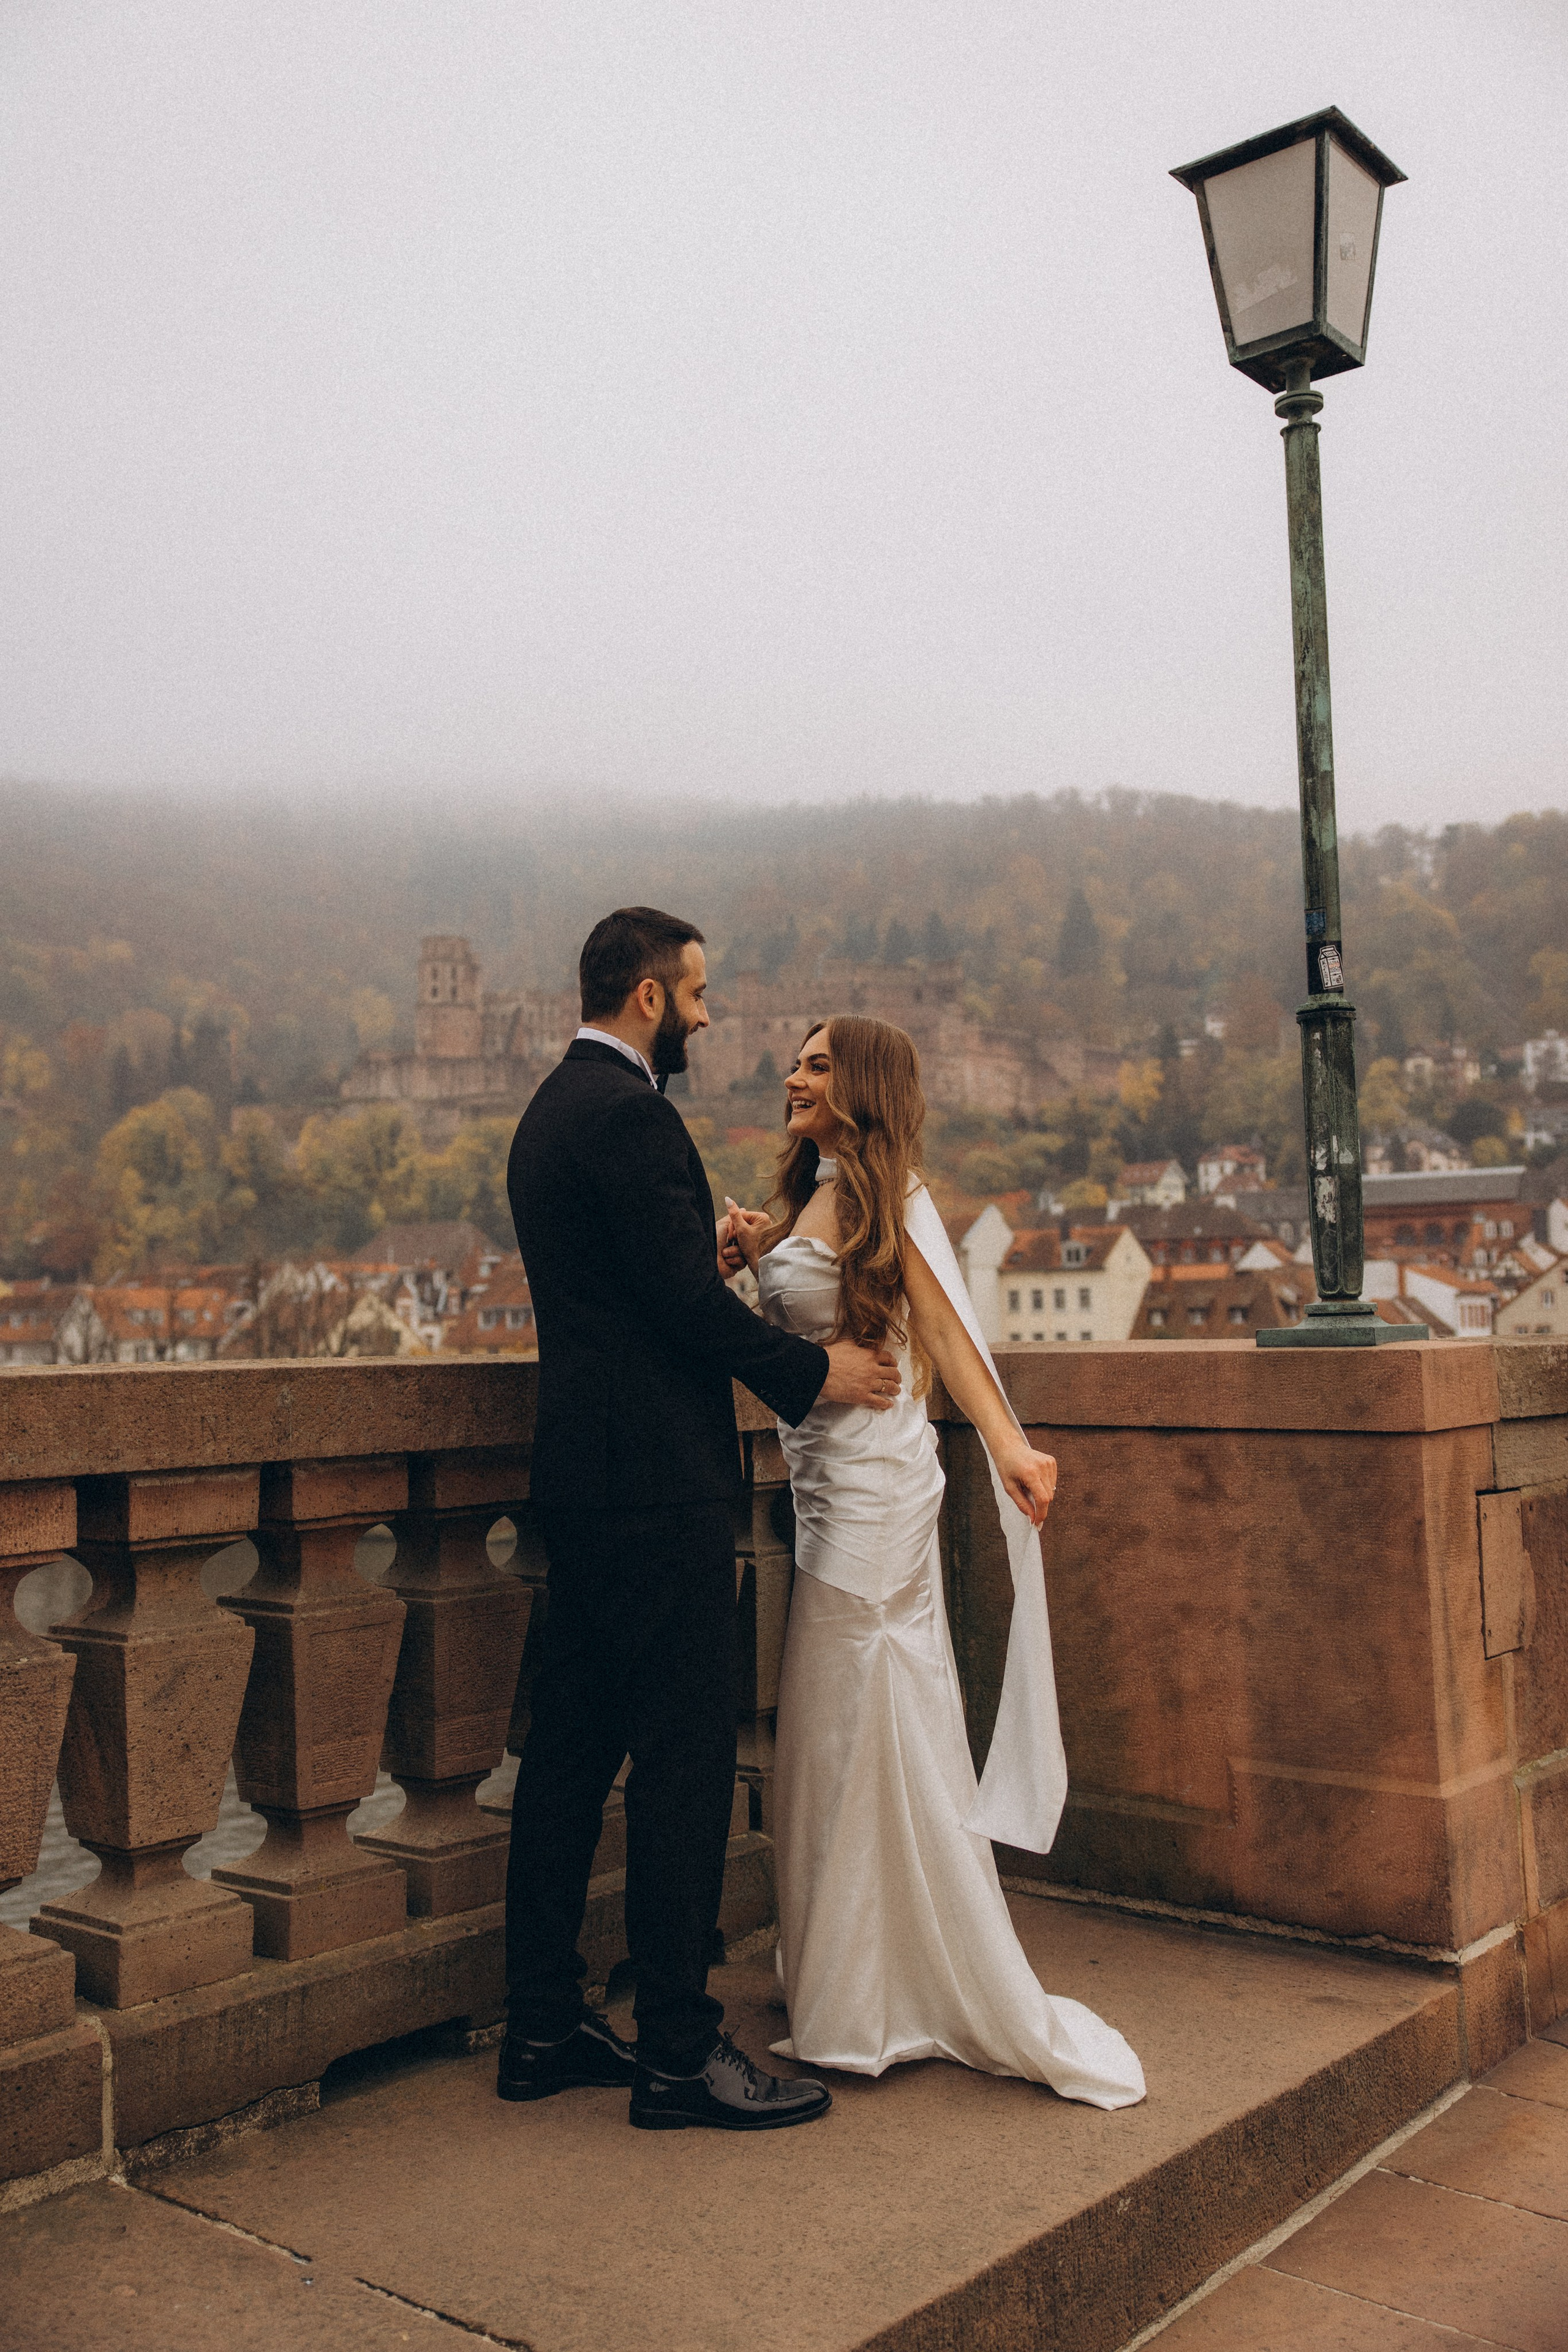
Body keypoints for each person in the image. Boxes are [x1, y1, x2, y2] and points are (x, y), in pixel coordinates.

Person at [499, 908, 902, 2132]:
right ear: (644, 998)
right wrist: (809, 1374)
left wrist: (705, 1254)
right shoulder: (631, 1115)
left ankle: (539, 2024)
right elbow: (674, 1313)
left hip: (581, 1475)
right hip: (655, 1487)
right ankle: (678, 2050)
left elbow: (632, 1293)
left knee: (565, 1760)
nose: (710, 1014)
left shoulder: (546, 1114)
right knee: (680, 1765)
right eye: (697, 993)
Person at [724, 1016, 1145, 2107]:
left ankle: (881, 1997)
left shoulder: (890, 1195)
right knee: (824, 1726)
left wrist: (1009, 1446)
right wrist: (751, 1255)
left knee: (867, 1720)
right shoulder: (805, 1196)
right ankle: (843, 1975)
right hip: (822, 1488)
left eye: (817, 1066)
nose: (793, 1077)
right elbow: (801, 1326)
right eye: (797, 1062)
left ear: (862, 1085)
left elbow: (948, 1335)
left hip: (877, 1492)